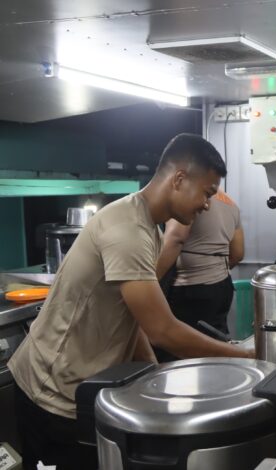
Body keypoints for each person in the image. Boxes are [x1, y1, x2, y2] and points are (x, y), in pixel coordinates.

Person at [8, 133, 253, 470]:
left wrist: (152, 372)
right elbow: (163, 330)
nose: (207, 204)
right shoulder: (128, 230)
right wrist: (247, 357)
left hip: (84, 389)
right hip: (49, 392)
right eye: (206, 193)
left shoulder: (150, 229)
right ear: (179, 180)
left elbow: (133, 315)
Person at [156, 188, 244, 351]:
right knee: (216, 343)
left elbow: (175, 238)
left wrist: (151, 281)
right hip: (222, 286)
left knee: (181, 351)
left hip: (189, 288)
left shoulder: (188, 197)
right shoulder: (231, 204)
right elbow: (238, 253)